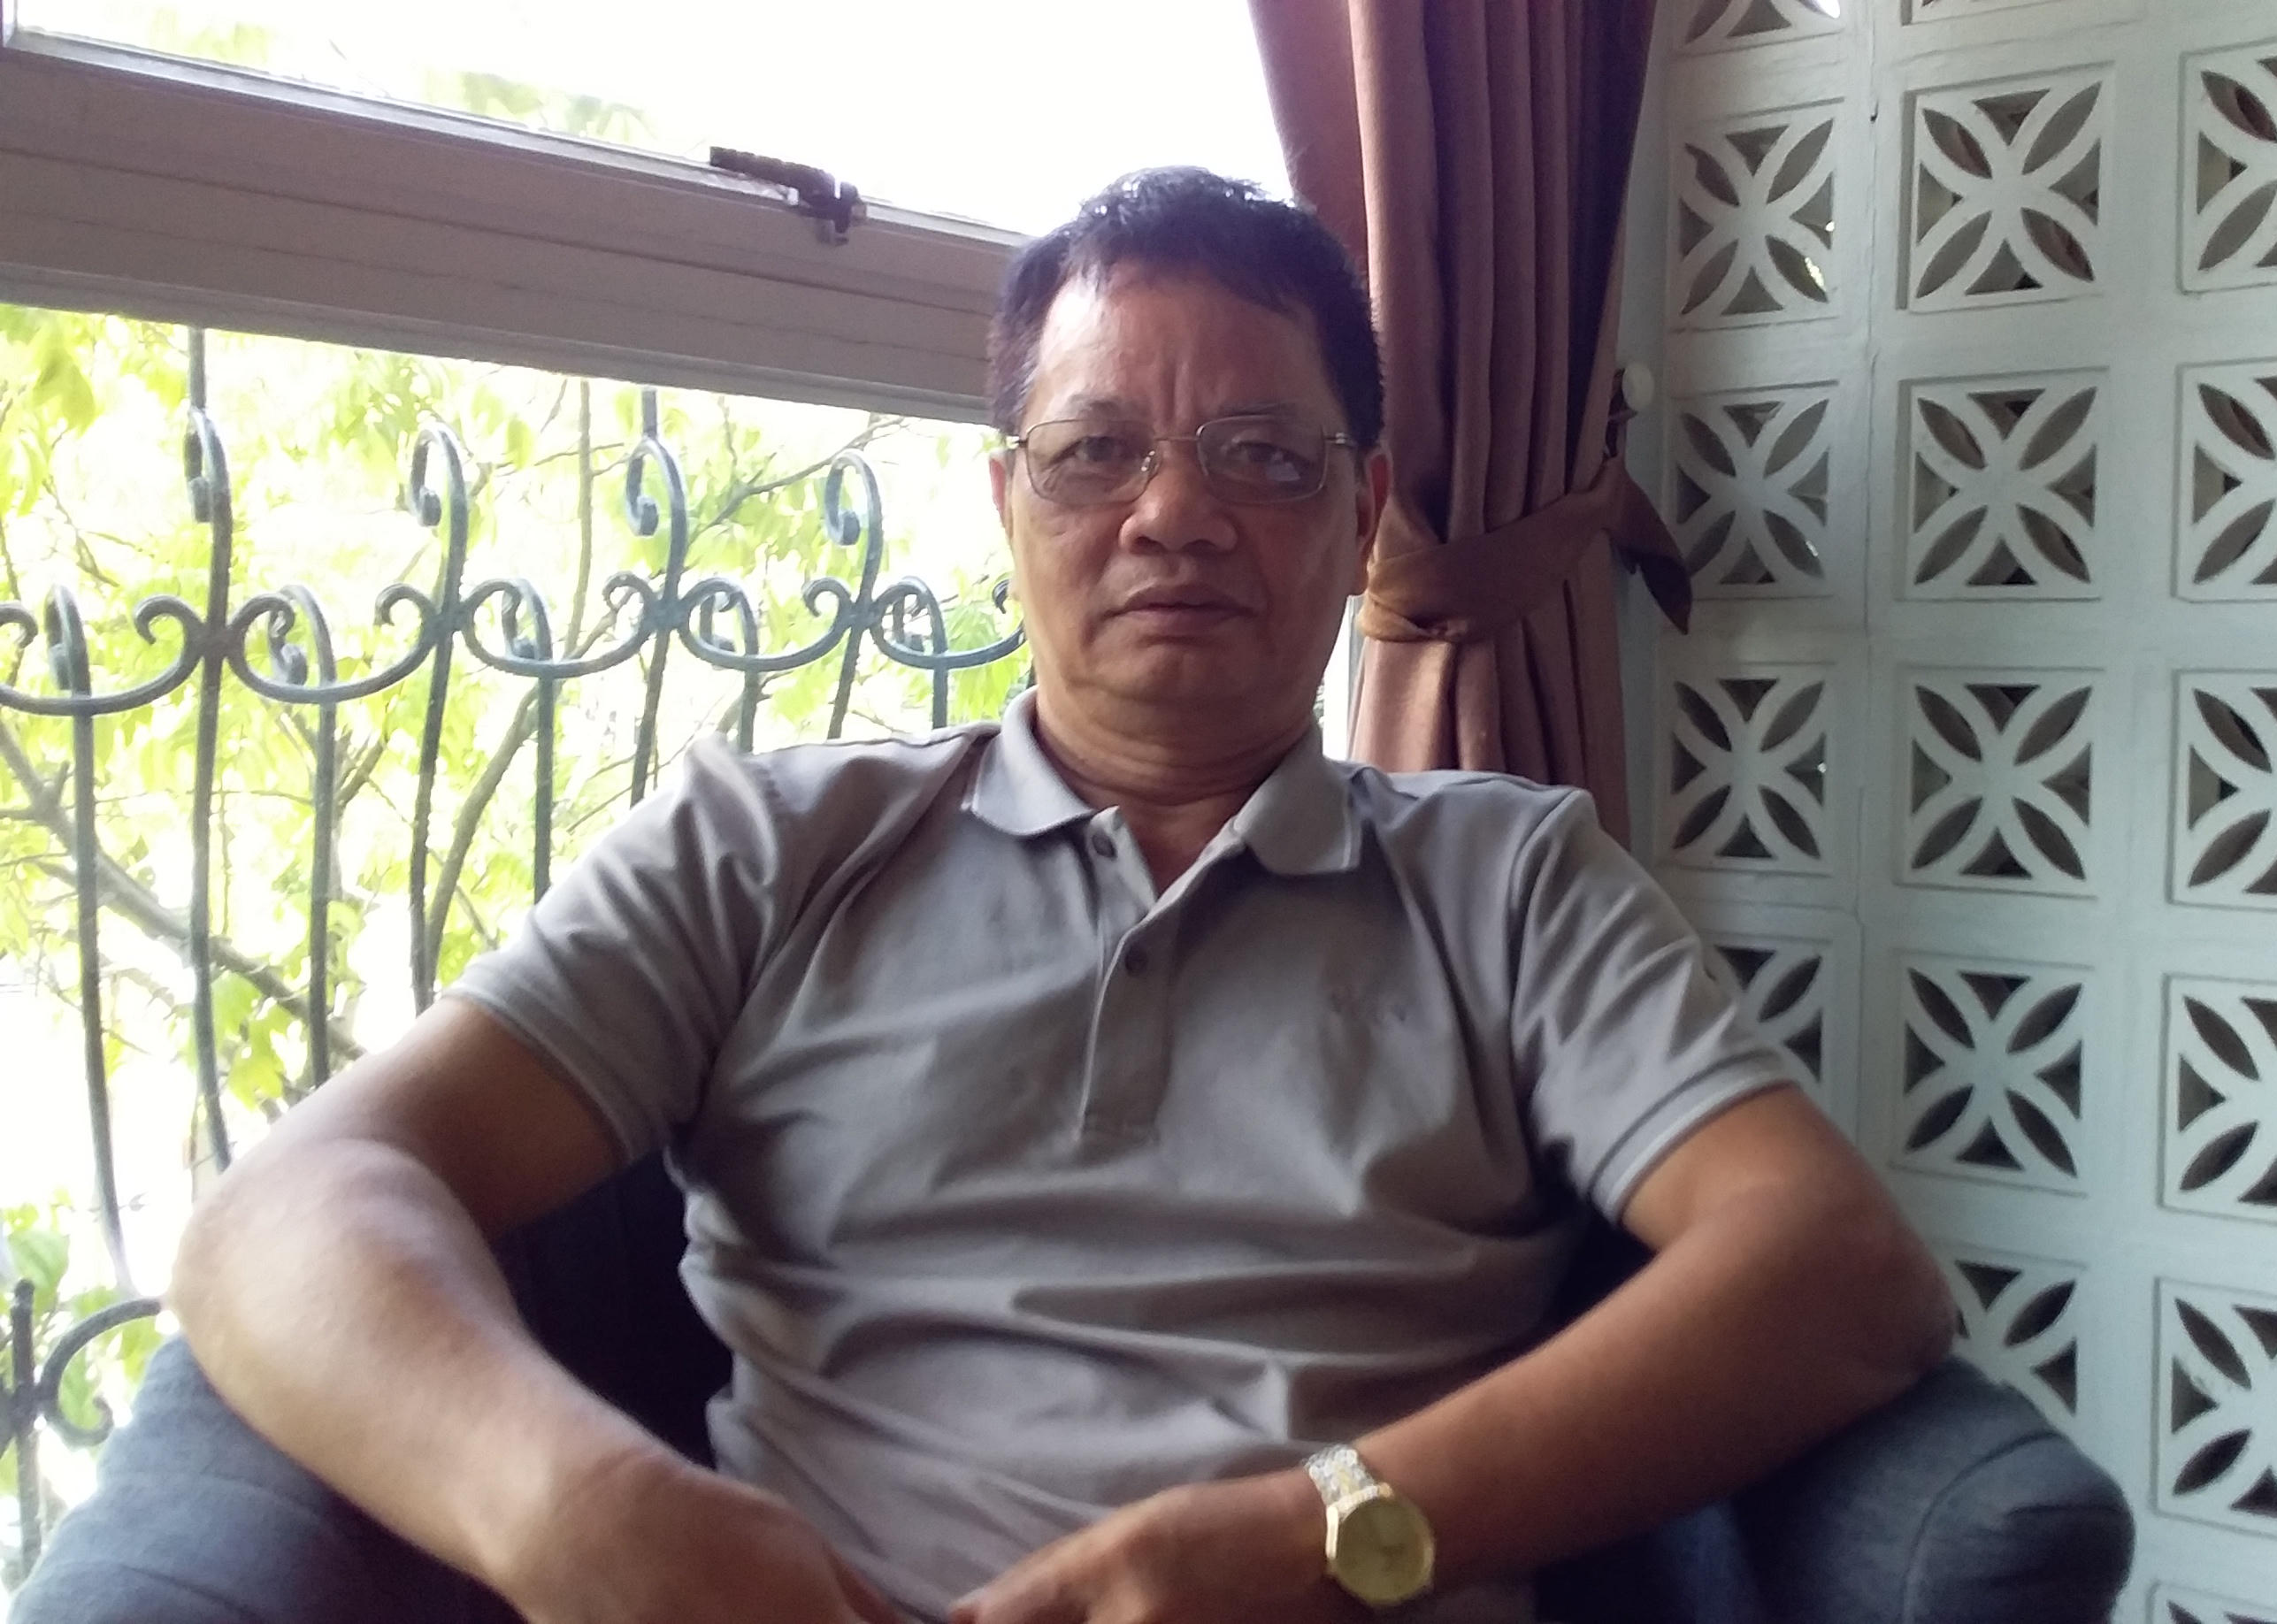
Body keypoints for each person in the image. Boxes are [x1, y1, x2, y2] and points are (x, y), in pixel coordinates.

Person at [167, 168, 1951, 1624]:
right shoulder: (766, 849)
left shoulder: (1516, 880)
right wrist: (578, 1505)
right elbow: (288, 1211)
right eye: (1097, 452)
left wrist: (1319, 1536)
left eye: (1262, 456)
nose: (1175, 514)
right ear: (1007, 499)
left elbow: (1843, 1274)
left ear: (1362, 516)